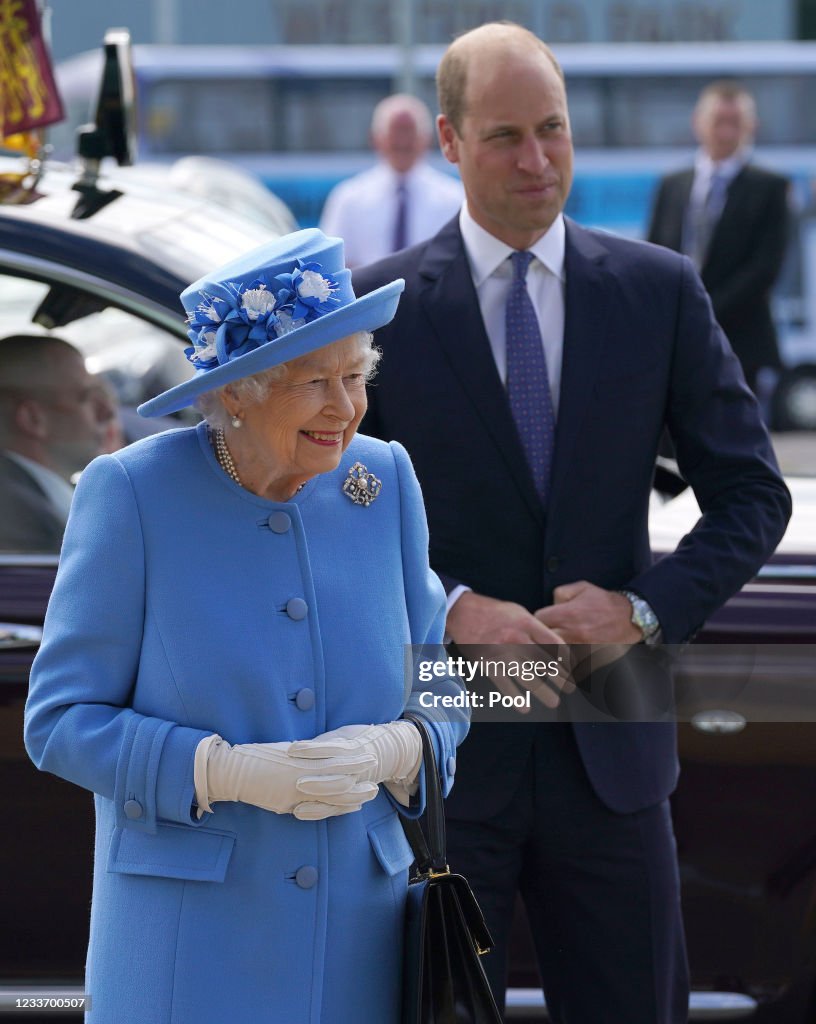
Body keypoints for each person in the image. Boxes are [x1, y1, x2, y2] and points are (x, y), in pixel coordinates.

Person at [353, 23, 792, 1024]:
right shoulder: (378, 307)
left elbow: (754, 496)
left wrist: (643, 609)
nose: (538, 160)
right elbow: (330, 517)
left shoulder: (657, 293)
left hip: (610, 733)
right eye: (506, 136)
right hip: (451, 733)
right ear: (452, 140)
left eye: (553, 130)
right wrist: (450, 606)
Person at [24, 228, 469, 1024]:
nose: (346, 407)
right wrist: (221, 771)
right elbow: (58, 722)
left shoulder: (384, 480)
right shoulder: (133, 494)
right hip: (189, 946)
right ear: (237, 392)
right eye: (315, 383)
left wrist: (400, 747)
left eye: (355, 376)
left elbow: (441, 685)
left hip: (357, 944)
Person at [648, 80, 790, 400]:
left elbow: (765, 268)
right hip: (677, 340)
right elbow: (653, 252)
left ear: (751, 126)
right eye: (718, 121)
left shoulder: (770, 187)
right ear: (698, 123)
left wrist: (704, 309)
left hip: (741, 343)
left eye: (735, 123)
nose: (726, 132)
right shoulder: (672, 185)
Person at [0, 334, 117, 552]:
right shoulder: (21, 519)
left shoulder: (27, 496)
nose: (107, 412)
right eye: (86, 397)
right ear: (33, 419)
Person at [319, 93, 463, 266]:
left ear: (427, 139)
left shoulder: (455, 200)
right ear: (376, 139)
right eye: (395, 132)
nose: (402, 141)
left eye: (409, 131)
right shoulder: (347, 199)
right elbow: (331, 264)